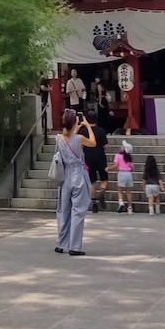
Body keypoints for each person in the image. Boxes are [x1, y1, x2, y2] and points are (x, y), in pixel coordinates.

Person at [54, 109, 95, 256]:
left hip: (65, 176)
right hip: (78, 175)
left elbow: (68, 136)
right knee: (77, 211)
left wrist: (74, 127)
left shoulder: (59, 139)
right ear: (74, 122)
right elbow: (93, 143)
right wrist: (88, 126)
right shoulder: (79, 139)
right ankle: (74, 246)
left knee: (63, 210)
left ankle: (61, 243)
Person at [78, 111, 109, 213]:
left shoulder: (82, 131)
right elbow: (106, 146)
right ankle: (102, 192)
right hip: (100, 157)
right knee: (104, 178)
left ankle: (94, 203)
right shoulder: (101, 131)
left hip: (88, 157)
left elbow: (80, 146)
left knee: (92, 181)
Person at [113, 140, 135, 213]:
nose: (121, 147)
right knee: (128, 192)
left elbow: (116, 165)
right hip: (128, 174)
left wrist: (108, 168)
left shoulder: (118, 155)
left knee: (120, 190)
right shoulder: (129, 157)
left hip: (121, 173)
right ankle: (130, 208)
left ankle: (121, 202)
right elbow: (132, 167)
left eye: (123, 146)